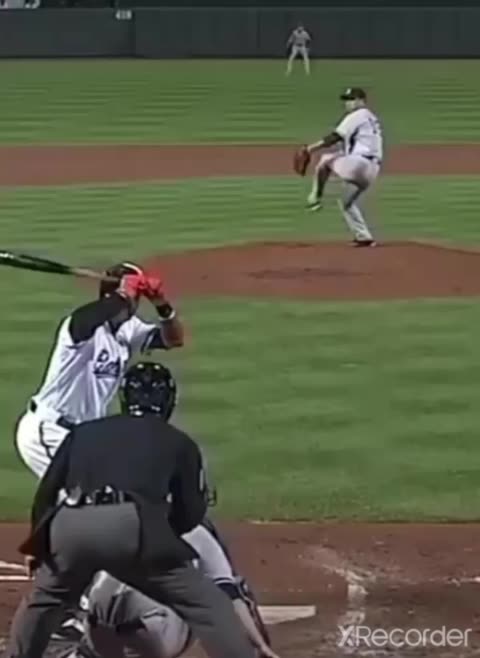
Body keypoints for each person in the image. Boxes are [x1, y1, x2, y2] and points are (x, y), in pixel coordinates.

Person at [5, 361, 255, 658]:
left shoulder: (84, 432)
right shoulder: (179, 442)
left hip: (70, 524)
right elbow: (190, 512)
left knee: (43, 602)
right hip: (132, 526)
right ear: (169, 402)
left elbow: (47, 493)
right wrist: (161, 534)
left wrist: (38, 546)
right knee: (207, 605)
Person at [15, 261, 184, 479]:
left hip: (83, 437)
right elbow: (82, 322)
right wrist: (124, 295)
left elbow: (174, 339)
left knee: (106, 489)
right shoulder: (81, 326)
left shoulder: (129, 329)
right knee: (80, 495)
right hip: (49, 431)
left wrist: (162, 305)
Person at [61, 518, 278, 658]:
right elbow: (228, 596)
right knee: (217, 595)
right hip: (154, 637)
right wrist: (259, 645)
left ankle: (83, 653)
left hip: (98, 629)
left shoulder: (114, 521)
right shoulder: (197, 531)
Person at [304, 87, 383, 247]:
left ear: (361, 101)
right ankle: (364, 237)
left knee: (325, 159)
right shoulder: (370, 117)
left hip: (358, 165)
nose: (348, 103)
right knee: (346, 202)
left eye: (352, 99)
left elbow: (335, 137)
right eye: (346, 100)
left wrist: (310, 148)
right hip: (371, 169)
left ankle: (315, 197)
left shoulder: (357, 115)